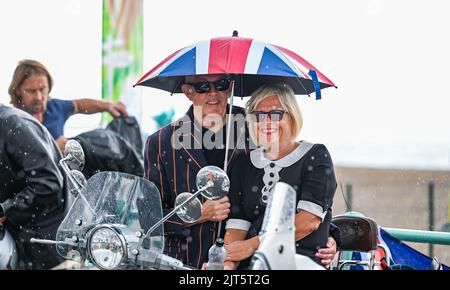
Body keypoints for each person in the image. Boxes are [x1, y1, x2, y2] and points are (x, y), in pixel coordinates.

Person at [144, 74, 338, 269]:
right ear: (188, 91)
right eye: (203, 86)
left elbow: (293, 199)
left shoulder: (254, 122)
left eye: (221, 84)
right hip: (185, 259)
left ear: (230, 88)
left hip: (251, 260)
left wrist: (328, 234)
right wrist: (198, 214)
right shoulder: (161, 143)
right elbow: (148, 217)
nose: (214, 92)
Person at [224, 83, 337, 269]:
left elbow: (309, 221)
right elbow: (237, 226)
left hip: (299, 261)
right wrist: (227, 263)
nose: (267, 123)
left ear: (292, 116)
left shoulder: (315, 156)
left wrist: (252, 246)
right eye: (259, 115)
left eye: (276, 114)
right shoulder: (243, 163)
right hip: (254, 264)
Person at [8, 59, 128, 153]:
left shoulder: (55, 108)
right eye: (31, 91)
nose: (39, 97)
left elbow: (79, 105)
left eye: (42, 89)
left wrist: (107, 106)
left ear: (49, 86)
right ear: (18, 90)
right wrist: (53, 148)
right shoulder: (11, 121)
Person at [0, 103, 67, 269]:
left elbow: (47, 183)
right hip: (22, 241)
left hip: (47, 244)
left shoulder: (13, 124)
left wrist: (5, 209)